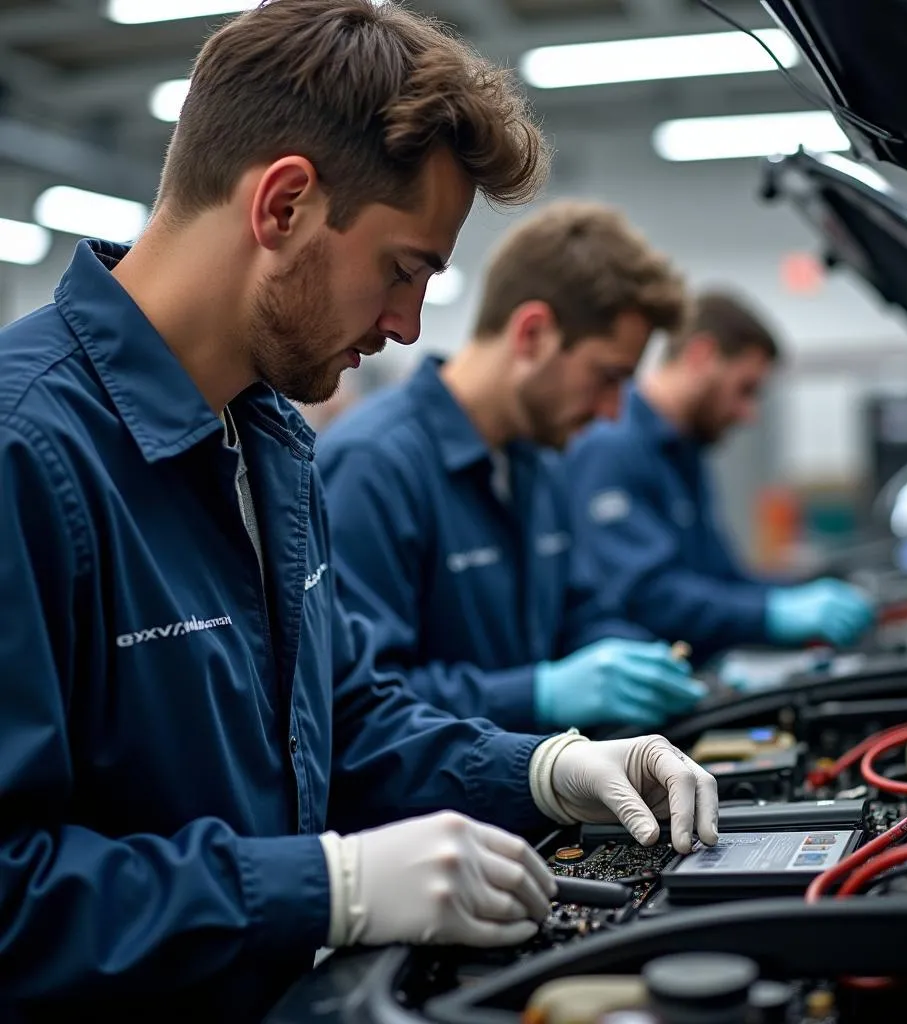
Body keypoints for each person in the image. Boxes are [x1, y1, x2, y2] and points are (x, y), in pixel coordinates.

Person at [0, 3, 718, 1021]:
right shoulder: (25, 451)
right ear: (283, 205)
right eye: (402, 268)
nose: (407, 324)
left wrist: (547, 768)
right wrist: (329, 885)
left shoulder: (268, 444)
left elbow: (342, 725)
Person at [316, 202, 708, 734]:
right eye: (607, 377)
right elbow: (363, 705)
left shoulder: (535, 463)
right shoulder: (374, 467)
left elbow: (576, 614)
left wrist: (635, 657)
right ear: (533, 335)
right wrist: (538, 694)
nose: (615, 411)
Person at [566, 289, 876, 667]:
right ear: (702, 355)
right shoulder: (612, 443)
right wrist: (772, 613)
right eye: (744, 389)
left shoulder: (686, 453)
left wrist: (802, 590)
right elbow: (647, 596)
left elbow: (721, 580)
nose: (749, 414)